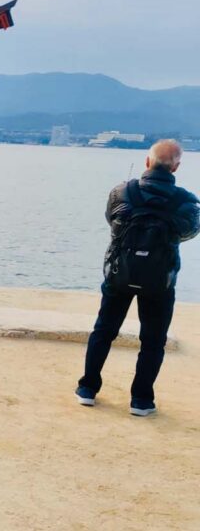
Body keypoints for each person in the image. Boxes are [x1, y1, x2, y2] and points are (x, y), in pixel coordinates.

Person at [75, 139, 199, 416]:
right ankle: (141, 400)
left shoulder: (122, 191)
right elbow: (189, 232)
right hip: (160, 280)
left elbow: (112, 220)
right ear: (176, 167)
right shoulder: (187, 201)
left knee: (104, 330)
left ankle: (88, 389)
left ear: (146, 162)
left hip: (120, 273)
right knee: (153, 340)